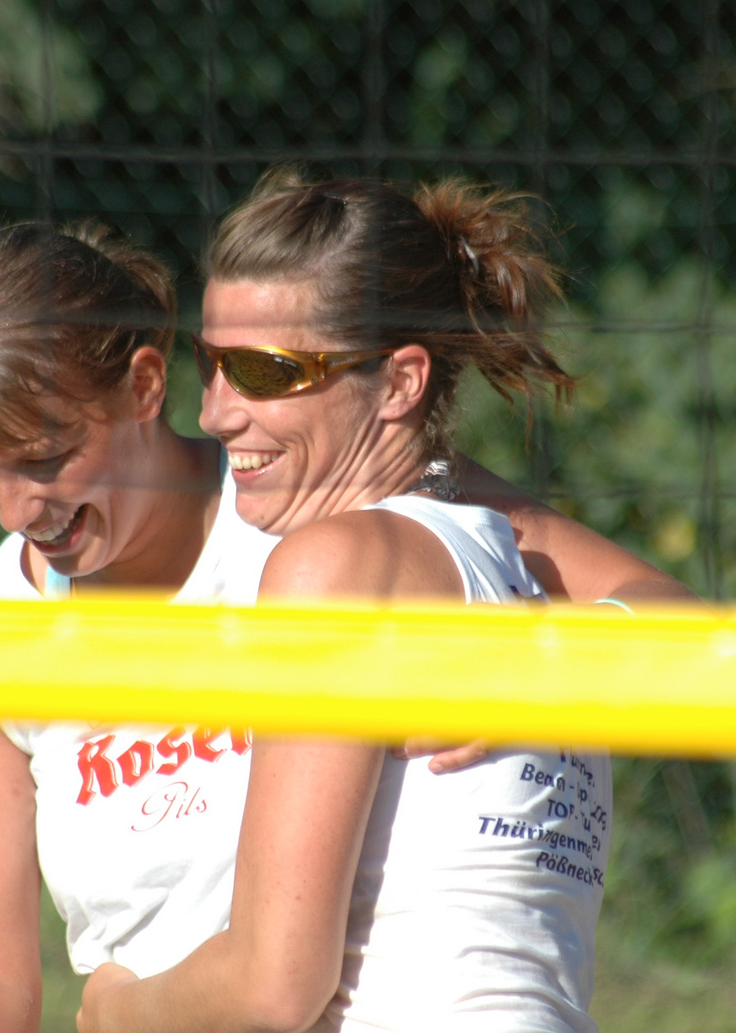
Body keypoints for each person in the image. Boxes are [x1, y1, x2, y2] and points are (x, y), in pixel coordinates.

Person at [0, 214, 692, 1033]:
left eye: (44, 457)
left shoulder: (315, 499)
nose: (14, 506)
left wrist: (547, 671)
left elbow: (676, 618)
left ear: (144, 386)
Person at [73, 169, 625, 1033]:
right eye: (211, 365)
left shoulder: (333, 565)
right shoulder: (520, 573)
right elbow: (696, 624)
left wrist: (112, 1012)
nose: (216, 412)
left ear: (401, 384)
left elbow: (271, 988)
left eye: (265, 371)